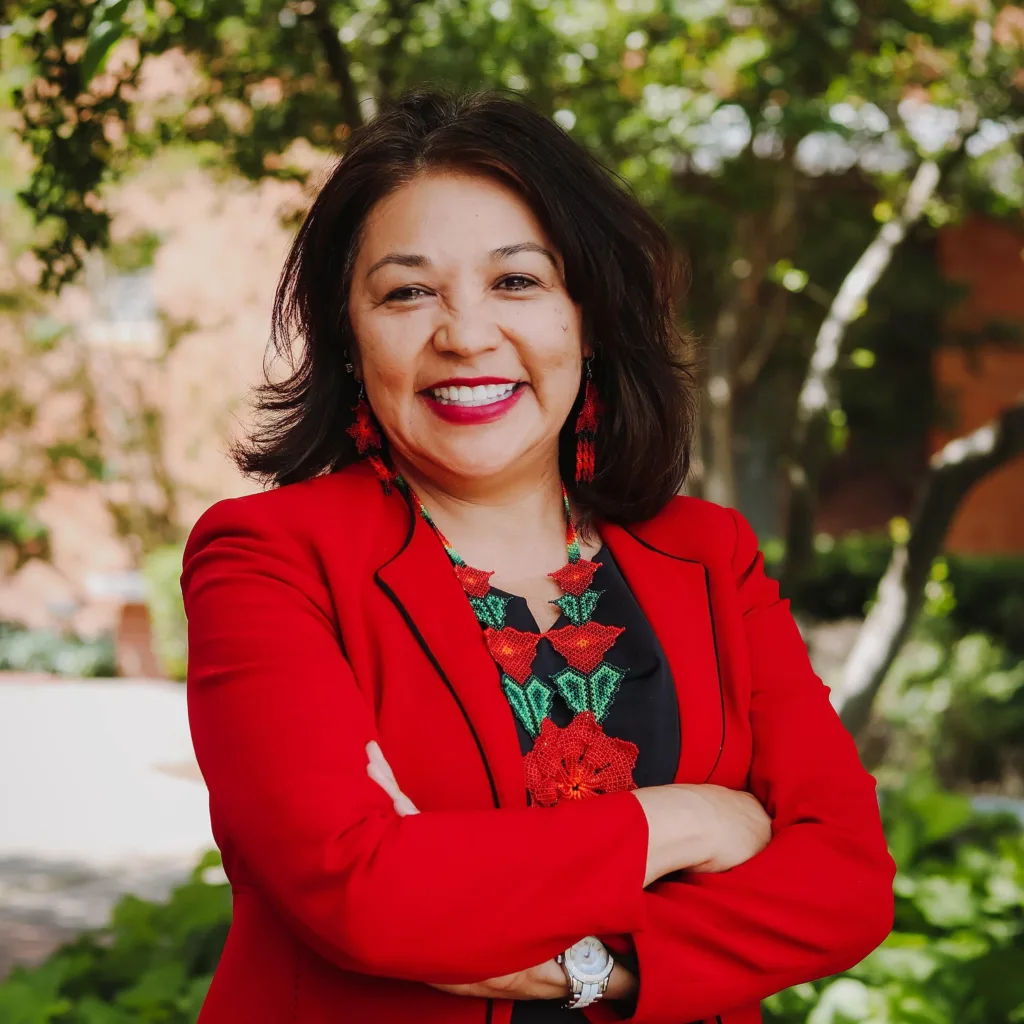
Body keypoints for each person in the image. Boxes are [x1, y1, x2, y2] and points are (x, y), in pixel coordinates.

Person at [181, 87, 895, 1024]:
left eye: (517, 281)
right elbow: (362, 890)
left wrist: (592, 967)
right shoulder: (269, 560)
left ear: (587, 318)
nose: (467, 334)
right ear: (349, 338)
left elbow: (847, 886)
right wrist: (691, 820)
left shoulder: (710, 556)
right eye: (407, 292)